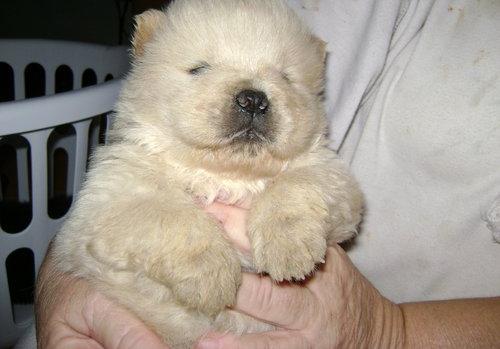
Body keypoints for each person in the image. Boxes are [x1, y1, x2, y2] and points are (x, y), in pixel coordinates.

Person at [34, 0, 500, 348]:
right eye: (200, 68)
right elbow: (97, 225)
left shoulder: (306, 165)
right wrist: (184, 247)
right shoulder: (136, 162)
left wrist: (294, 207)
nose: (252, 97)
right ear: (146, 52)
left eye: (285, 78)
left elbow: (340, 202)